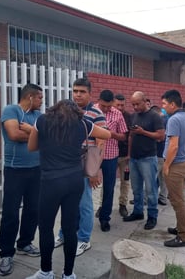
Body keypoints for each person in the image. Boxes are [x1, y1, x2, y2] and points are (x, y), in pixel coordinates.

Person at [26, 99, 110, 279]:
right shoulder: (83, 124)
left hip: (50, 182)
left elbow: (32, 146)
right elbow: (107, 134)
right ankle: (68, 274)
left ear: (53, 110)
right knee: (70, 228)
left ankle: (46, 272)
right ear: (77, 113)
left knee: (46, 227)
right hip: (74, 181)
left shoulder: (41, 121)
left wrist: (50, 144)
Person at [55, 78, 106, 257]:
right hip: (66, 165)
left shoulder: (96, 113)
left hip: (84, 165)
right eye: (75, 91)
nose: (77, 94)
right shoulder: (67, 112)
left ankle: (84, 239)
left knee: (84, 204)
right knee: (67, 202)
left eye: (82, 92)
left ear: (90, 94)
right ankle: (64, 234)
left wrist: (93, 171)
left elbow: (100, 143)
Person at [0, 83, 43, 276]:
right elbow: (14, 134)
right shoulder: (11, 110)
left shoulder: (38, 116)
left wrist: (31, 131)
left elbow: (45, 136)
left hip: (36, 169)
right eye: (40, 97)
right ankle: (6, 253)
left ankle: (25, 242)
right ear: (30, 97)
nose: (42, 101)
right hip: (15, 170)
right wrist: (35, 134)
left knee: (33, 209)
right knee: (10, 212)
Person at [123, 91, 165, 230]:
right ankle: (138, 212)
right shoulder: (134, 116)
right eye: (133, 104)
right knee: (136, 189)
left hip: (148, 158)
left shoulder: (154, 116)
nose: (135, 107)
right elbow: (130, 136)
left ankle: (152, 216)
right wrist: (129, 154)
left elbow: (160, 136)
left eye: (137, 104)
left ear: (145, 101)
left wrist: (143, 132)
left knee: (151, 189)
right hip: (134, 158)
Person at [161, 90, 185, 247]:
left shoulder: (173, 120)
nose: (163, 107)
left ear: (173, 104)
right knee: (179, 199)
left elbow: (173, 146)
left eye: (165, 104)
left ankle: (183, 236)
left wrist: (166, 165)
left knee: (177, 202)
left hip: (176, 165)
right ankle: (180, 227)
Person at [95, 90, 128, 232]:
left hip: (111, 155)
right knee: (85, 186)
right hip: (93, 154)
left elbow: (123, 136)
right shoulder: (92, 111)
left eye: (109, 106)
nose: (107, 109)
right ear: (99, 101)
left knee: (109, 187)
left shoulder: (117, 114)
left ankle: (104, 218)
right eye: (104, 106)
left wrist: (111, 134)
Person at [114, 94, 132, 217]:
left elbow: (131, 136)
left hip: (125, 155)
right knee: (108, 182)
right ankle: (102, 205)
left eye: (122, 105)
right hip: (110, 155)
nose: (120, 107)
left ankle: (123, 204)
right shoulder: (109, 114)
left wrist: (130, 154)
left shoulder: (128, 117)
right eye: (118, 105)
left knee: (125, 182)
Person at [150, 105, 168, 206]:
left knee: (152, 176)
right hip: (165, 153)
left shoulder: (160, 121)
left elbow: (159, 138)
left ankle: (147, 198)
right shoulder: (168, 119)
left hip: (158, 152)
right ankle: (163, 197)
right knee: (163, 177)